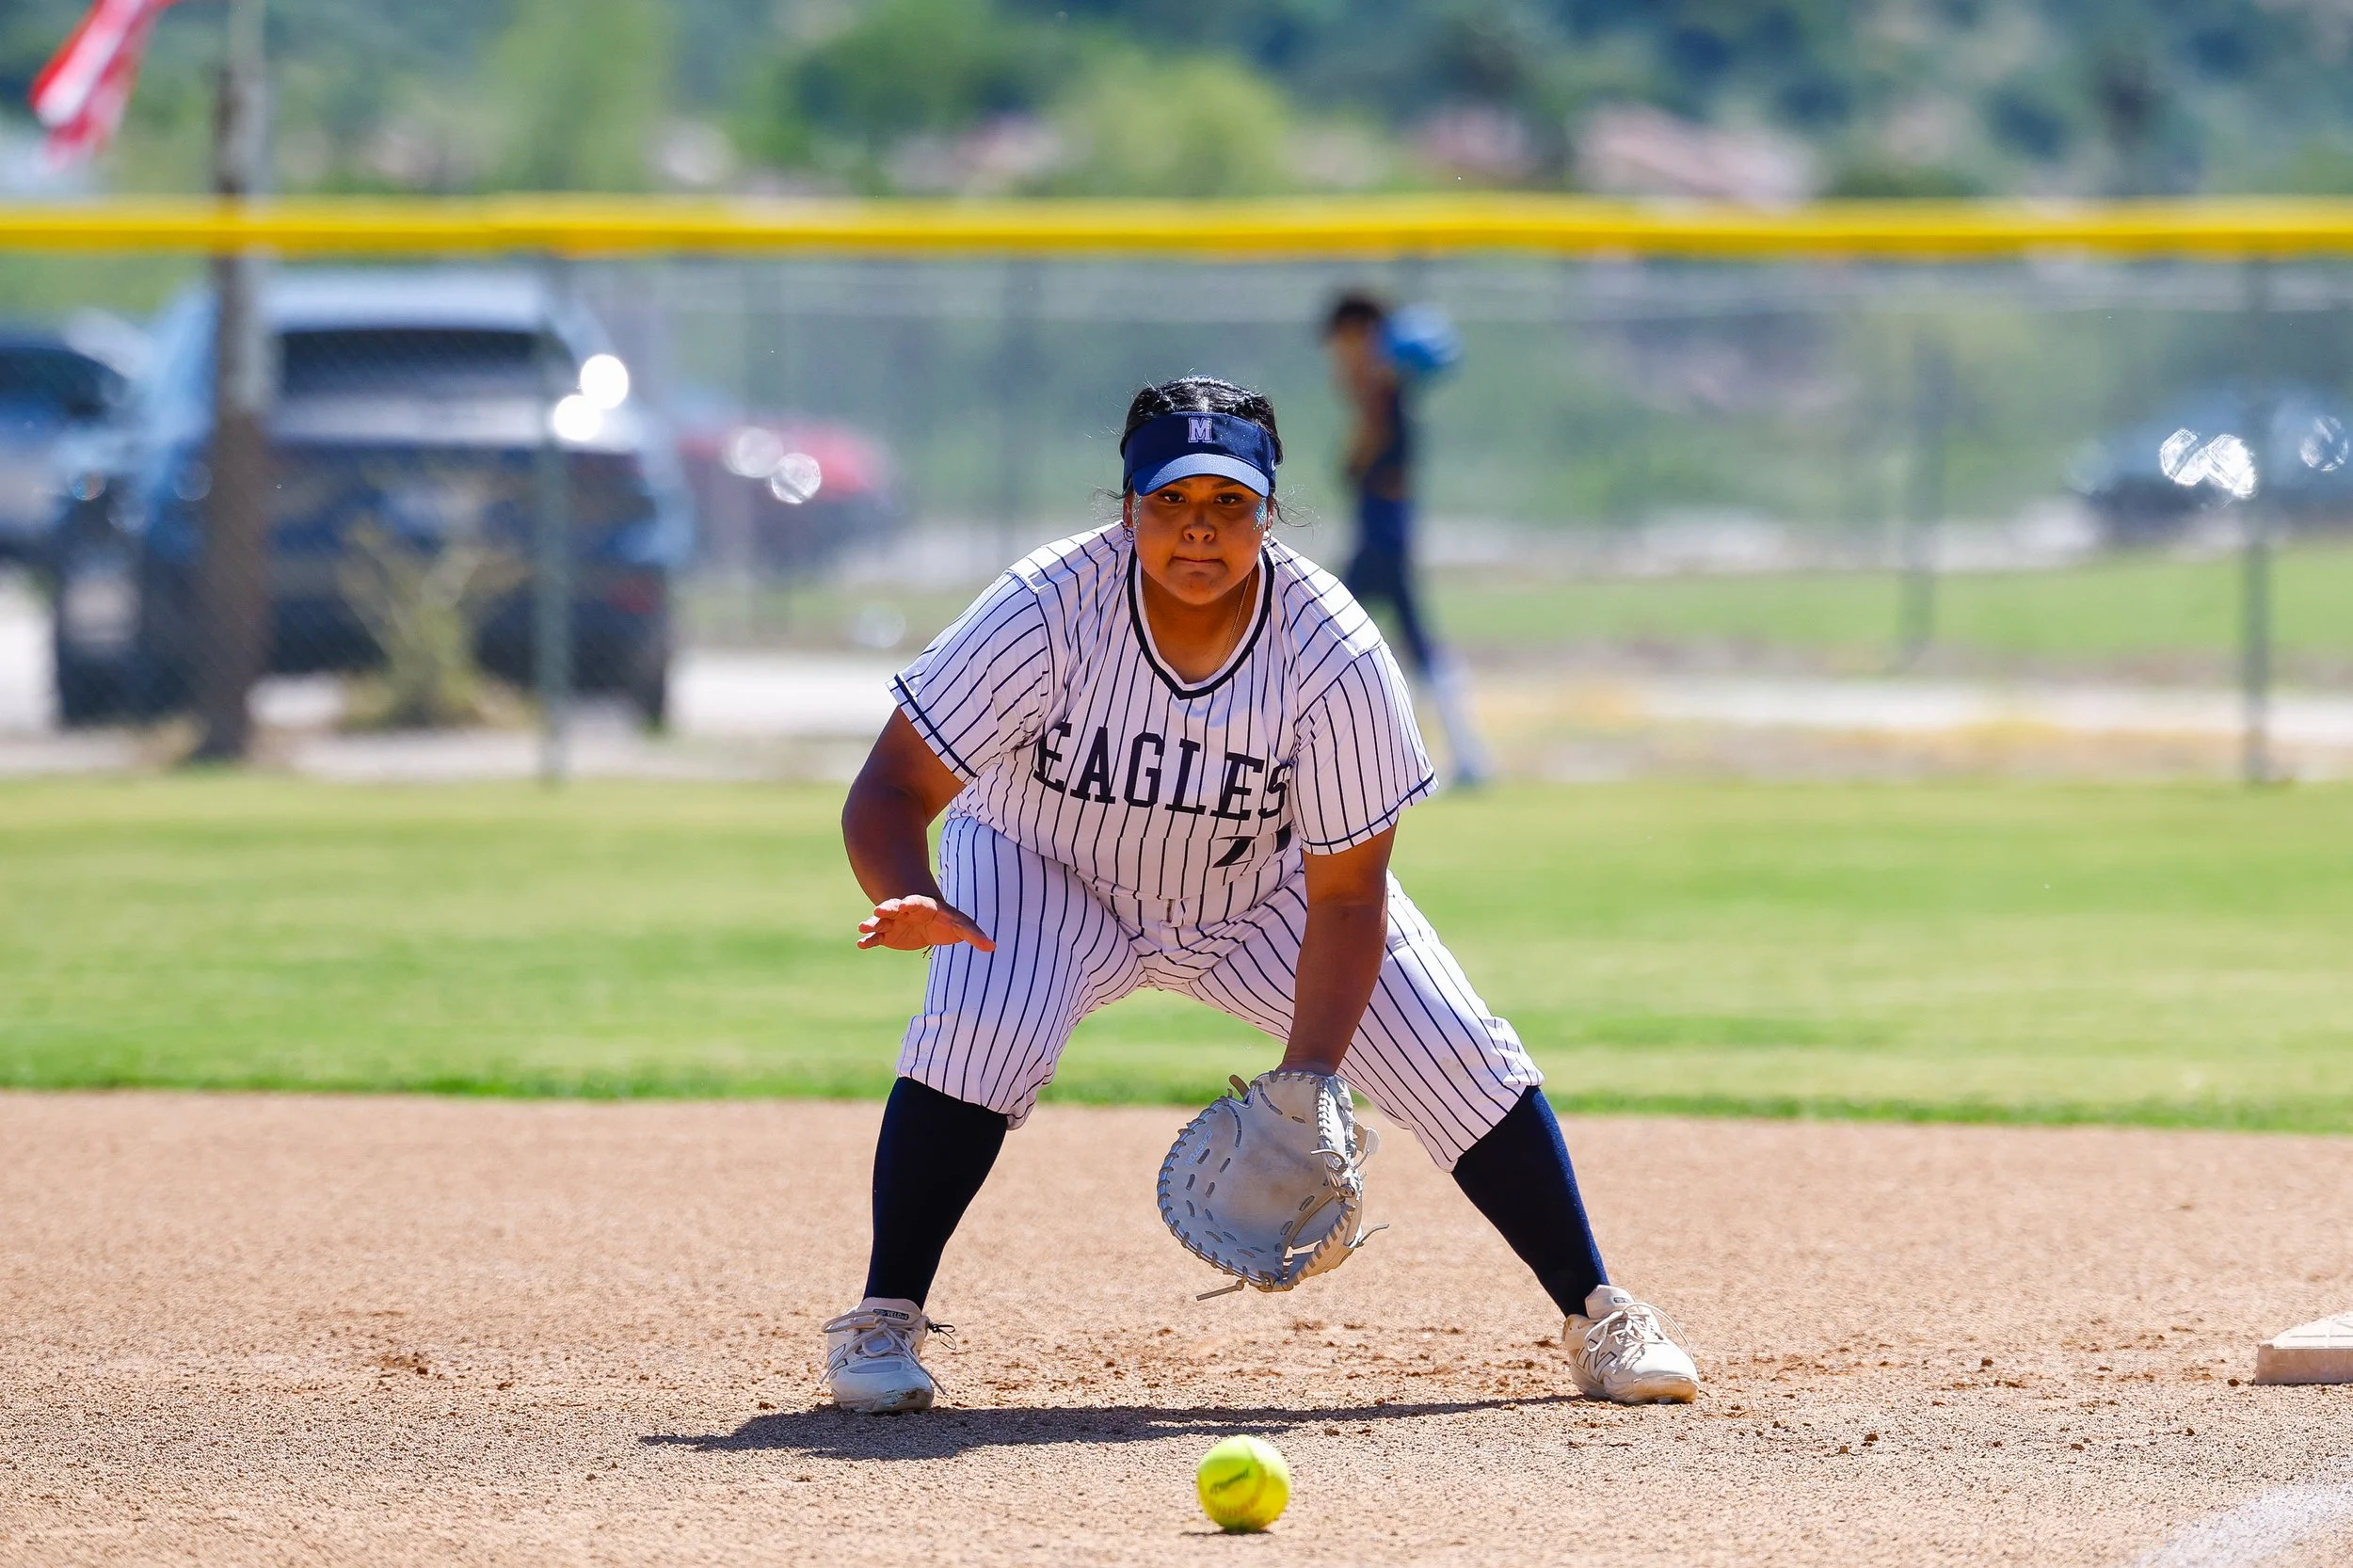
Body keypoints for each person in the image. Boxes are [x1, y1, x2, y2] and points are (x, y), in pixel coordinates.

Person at [823, 376, 1698, 1415]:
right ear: (1127, 506)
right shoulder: (1047, 606)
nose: (1200, 532)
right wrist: (911, 890)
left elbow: (1344, 895)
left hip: (1259, 892)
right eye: (1172, 503)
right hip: (1041, 867)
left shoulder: (1330, 650)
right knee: (988, 1019)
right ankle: (883, 1317)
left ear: (1269, 512)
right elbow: (888, 790)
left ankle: (1597, 1310)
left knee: (1454, 1047)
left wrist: (1310, 1081)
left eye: (1229, 505)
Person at [1321, 290, 1492, 786]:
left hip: (1382, 534)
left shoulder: (1383, 390)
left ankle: (1435, 761)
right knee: (1411, 643)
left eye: (1344, 342)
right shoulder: (1387, 389)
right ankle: (1464, 757)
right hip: (1387, 531)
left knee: (1326, 636)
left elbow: (1355, 460)